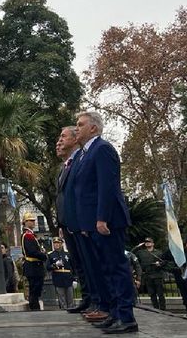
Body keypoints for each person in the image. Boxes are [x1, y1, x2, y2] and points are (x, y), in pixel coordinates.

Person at [70, 111, 137, 334]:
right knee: (106, 269)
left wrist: (101, 218)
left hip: (107, 221)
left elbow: (107, 187)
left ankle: (126, 316)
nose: (76, 128)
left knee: (116, 267)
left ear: (94, 128)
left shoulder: (102, 149)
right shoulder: (84, 154)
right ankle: (115, 313)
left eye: (80, 125)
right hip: (92, 224)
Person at [55, 126, 94, 315]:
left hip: (80, 223)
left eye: (63, 137)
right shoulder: (65, 166)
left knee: (88, 263)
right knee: (79, 264)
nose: (59, 141)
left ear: (75, 139)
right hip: (67, 223)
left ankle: (95, 300)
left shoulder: (80, 160)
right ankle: (88, 298)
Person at [21, 212, 47, 311]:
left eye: (33, 220)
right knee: (34, 289)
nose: (33, 222)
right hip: (32, 265)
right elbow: (31, 251)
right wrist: (43, 255)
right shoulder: (27, 235)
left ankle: (35, 306)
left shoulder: (31, 235)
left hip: (35, 265)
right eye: (30, 221)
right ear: (25, 222)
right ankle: (34, 308)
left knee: (37, 288)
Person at [133, 237, 167, 310]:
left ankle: (163, 309)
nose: (147, 243)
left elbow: (164, 262)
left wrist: (160, 264)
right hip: (147, 275)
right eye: (146, 242)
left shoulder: (158, 252)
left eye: (149, 242)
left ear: (153, 243)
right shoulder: (141, 252)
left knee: (160, 293)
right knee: (152, 294)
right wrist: (138, 246)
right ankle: (155, 308)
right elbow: (131, 254)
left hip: (157, 274)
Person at [46, 237, 74, 310]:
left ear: (61, 244)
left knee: (70, 296)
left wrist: (74, 278)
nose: (56, 245)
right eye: (55, 243)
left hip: (68, 277)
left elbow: (73, 266)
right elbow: (48, 267)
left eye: (58, 243)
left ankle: (71, 309)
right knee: (61, 297)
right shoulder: (50, 255)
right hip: (58, 278)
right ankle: (63, 311)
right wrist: (55, 265)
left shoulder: (67, 253)